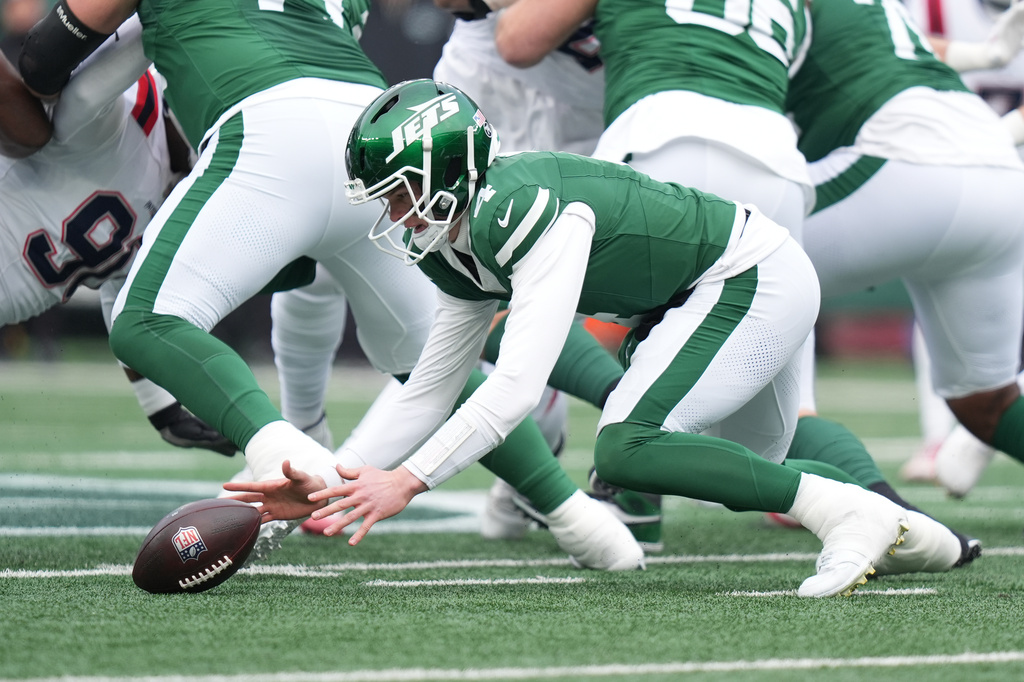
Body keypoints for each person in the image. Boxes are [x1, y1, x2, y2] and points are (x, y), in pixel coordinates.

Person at [226, 79, 920, 598]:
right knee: (743, 461)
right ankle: (921, 537)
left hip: (752, 276)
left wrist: (405, 482)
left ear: (446, 168)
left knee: (628, 445)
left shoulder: (520, 207)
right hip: (695, 299)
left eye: (398, 190)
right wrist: (323, 486)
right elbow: (428, 391)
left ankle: (849, 513)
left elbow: (516, 389)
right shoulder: (454, 242)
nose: (391, 213)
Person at [19, 0, 643, 570]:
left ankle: (282, 449)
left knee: (145, 320)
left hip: (266, 124)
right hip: (369, 125)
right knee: (433, 361)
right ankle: (580, 520)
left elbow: (46, 60)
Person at [489, 0, 980, 574]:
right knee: (776, 429)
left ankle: (631, 504)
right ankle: (906, 523)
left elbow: (516, 39)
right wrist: (982, 54)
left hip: (663, 140)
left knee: (587, 346)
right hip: (773, 162)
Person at [787, 0, 1024, 509]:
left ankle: (824, 481)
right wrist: (986, 54)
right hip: (998, 168)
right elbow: (902, 42)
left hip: (901, 163)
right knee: (985, 401)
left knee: (732, 263)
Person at [0, 16, 233, 456]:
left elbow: (123, 289)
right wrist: (164, 18)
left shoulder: (175, 186)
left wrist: (161, 407)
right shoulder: (117, 123)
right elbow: (89, 90)